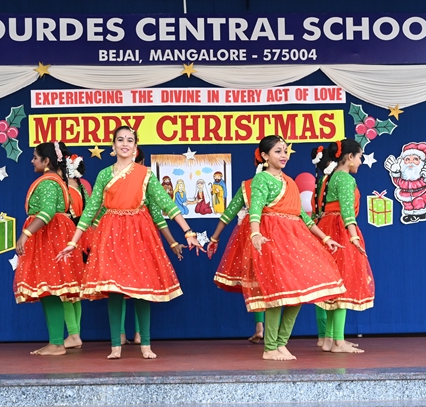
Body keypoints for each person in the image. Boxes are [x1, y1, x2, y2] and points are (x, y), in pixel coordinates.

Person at [58, 126, 203, 360]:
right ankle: (115, 345)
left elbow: (166, 204)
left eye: (129, 140)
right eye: (120, 140)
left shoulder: (145, 174)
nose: (125, 144)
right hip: (111, 234)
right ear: (113, 146)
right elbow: (91, 209)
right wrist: (73, 242)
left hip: (139, 233)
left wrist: (188, 232)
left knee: (141, 290)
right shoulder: (104, 174)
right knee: (115, 290)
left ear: (135, 147)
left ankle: (145, 344)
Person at [245, 135, 346, 361]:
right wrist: (255, 233)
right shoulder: (262, 179)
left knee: (298, 294)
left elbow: (302, 216)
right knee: (277, 295)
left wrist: (325, 238)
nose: (283, 155)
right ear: (265, 156)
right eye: (278, 151)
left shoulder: (289, 181)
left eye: (285, 151)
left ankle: (281, 343)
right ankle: (270, 348)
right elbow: (255, 209)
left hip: (294, 241)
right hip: (272, 240)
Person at [14, 142, 85, 356]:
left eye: (35, 157)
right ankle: (55, 342)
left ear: (46, 161)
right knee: (49, 291)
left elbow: (46, 213)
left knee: (50, 290)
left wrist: (25, 234)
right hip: (52, 237)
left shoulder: (48, 182)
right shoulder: (56, 181)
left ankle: (56, 344)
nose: (32, 161)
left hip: (49, 239)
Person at [120, 148, 186, 345]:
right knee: (119, 287)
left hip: (138, 241)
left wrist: (173, 242)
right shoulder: (112, 177)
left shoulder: (146, 180)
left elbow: (158, 216)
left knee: (139, 286)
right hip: (118, 240)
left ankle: (137, 333)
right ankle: (122, 334)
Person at [314, 139, 375, 353]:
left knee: (333, 286)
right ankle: (338, 341)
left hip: (326, 228)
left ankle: (330, 339)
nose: (360, 162)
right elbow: (347, 211)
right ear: (349, 157)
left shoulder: (328, 177)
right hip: (340, 231)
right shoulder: (346, 178)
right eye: (359, 157)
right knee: (343, 284)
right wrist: (354, 236)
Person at [207, 156, 264, 344]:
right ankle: (272, 334)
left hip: (254, 235)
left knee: (256, 280)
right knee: (272, 280)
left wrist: (215, 237)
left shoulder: (248, 185)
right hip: (273, 234)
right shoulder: (281, 183)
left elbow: (229, 213)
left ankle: (261, 328)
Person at [61, 153, 90, 350]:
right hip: (79, 240)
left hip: (66, 239)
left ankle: (73, 334)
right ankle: (75, 333)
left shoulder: (65, 189)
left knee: (64, 290)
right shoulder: (82, 188)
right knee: (75, 292)